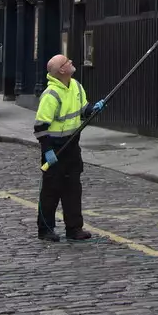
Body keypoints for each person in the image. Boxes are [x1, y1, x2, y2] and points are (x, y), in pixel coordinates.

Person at [33, 53, 104, 243]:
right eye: (67, 61)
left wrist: (93, 109)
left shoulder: (76, 86)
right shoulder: (51, 95)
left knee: (73, 189)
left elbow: (83, 109)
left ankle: (74, 228)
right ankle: (45, 229)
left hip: (72, 146)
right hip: (54, 149)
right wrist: (47, 151)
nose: (71, 62)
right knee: (51, 191)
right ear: (61, 70)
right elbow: (40, 127)